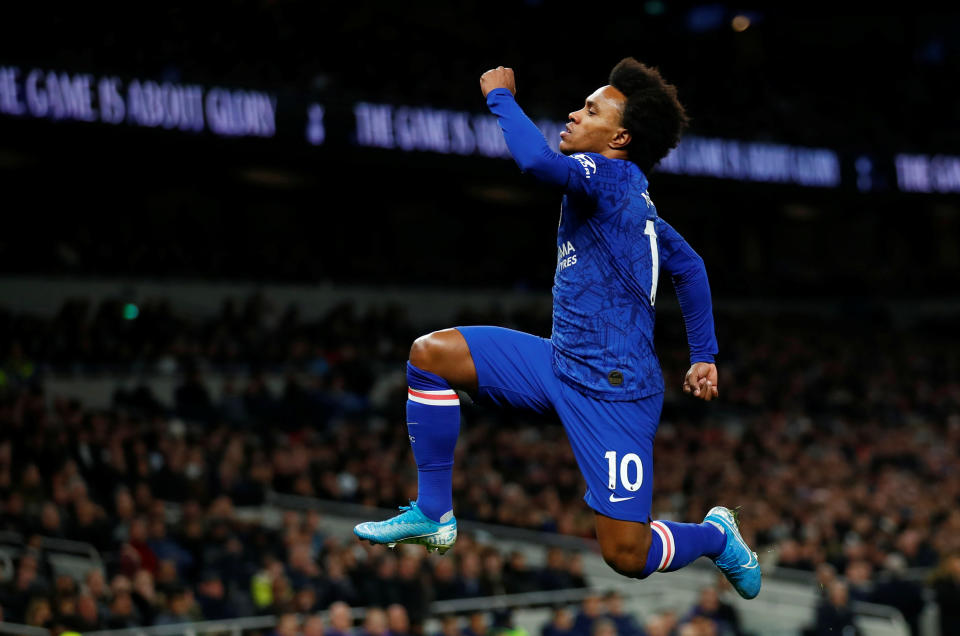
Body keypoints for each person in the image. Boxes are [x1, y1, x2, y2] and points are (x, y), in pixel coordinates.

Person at [354, 59, 760, 599]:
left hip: (614, 395)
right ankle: (433, 513)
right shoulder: (632, 201)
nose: (573, 113)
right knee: (431, 355)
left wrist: (500, 97)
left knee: (626, 556)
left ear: (619, 136)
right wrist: (703, 354)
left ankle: (717, 537)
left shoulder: (609, 176)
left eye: (589, 110)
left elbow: (537, 164)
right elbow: (690, 266)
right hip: (559, 362)